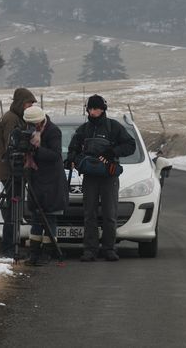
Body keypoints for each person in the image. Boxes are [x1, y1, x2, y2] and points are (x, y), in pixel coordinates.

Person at [67, 94, 136, 262]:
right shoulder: (83, 130)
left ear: (103, 109)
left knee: (109, 214)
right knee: (89, 214)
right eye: (90, 108)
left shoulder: (114, 127)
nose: (93, 112)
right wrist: (77, 161)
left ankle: (109, 249)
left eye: (96, 108)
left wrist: (112, 152)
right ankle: (90, 250)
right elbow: (72, 150)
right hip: (90, 178)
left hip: (109, 177)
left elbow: (130, 145)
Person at [22, 105, 68, 266]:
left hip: (51, 180)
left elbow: (56, 155)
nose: (32, 127)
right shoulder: (28, 130)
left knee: (49, 218)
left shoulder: (53, 131)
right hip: (36, 179)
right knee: (35, 217)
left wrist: (36, 150)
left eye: (34, 123)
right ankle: (34, 254)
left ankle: (47, 254)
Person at [0, 87, 37, 257]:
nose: (30, 107)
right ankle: (8, 248)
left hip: (15, 171)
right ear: (20, 103)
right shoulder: (11, 120)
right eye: (28, 103)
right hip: (11, 172)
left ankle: (11, 246)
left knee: (15, 210)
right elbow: (11, 148)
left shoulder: (18, 118)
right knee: (12, 212)